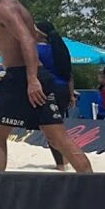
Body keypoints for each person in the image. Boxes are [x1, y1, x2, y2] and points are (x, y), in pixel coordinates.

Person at [0, 0, 91, 173]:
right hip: (32, 75)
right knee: (57, 137)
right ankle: (92, 184)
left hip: (22, 77)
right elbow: (34, 36)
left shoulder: (3, 9)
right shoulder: (17, 6)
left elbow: (27, 39)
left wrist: (32, 79)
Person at [35, 20, 77, 170]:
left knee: (52, 131)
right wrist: (71, 95)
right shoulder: (60, 49)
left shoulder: (36, 50)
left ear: (39, 34)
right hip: (64, 90)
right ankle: (64, 162)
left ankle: (63, 164)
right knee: (56, 129)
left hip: (49, 90)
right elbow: (69, 74)